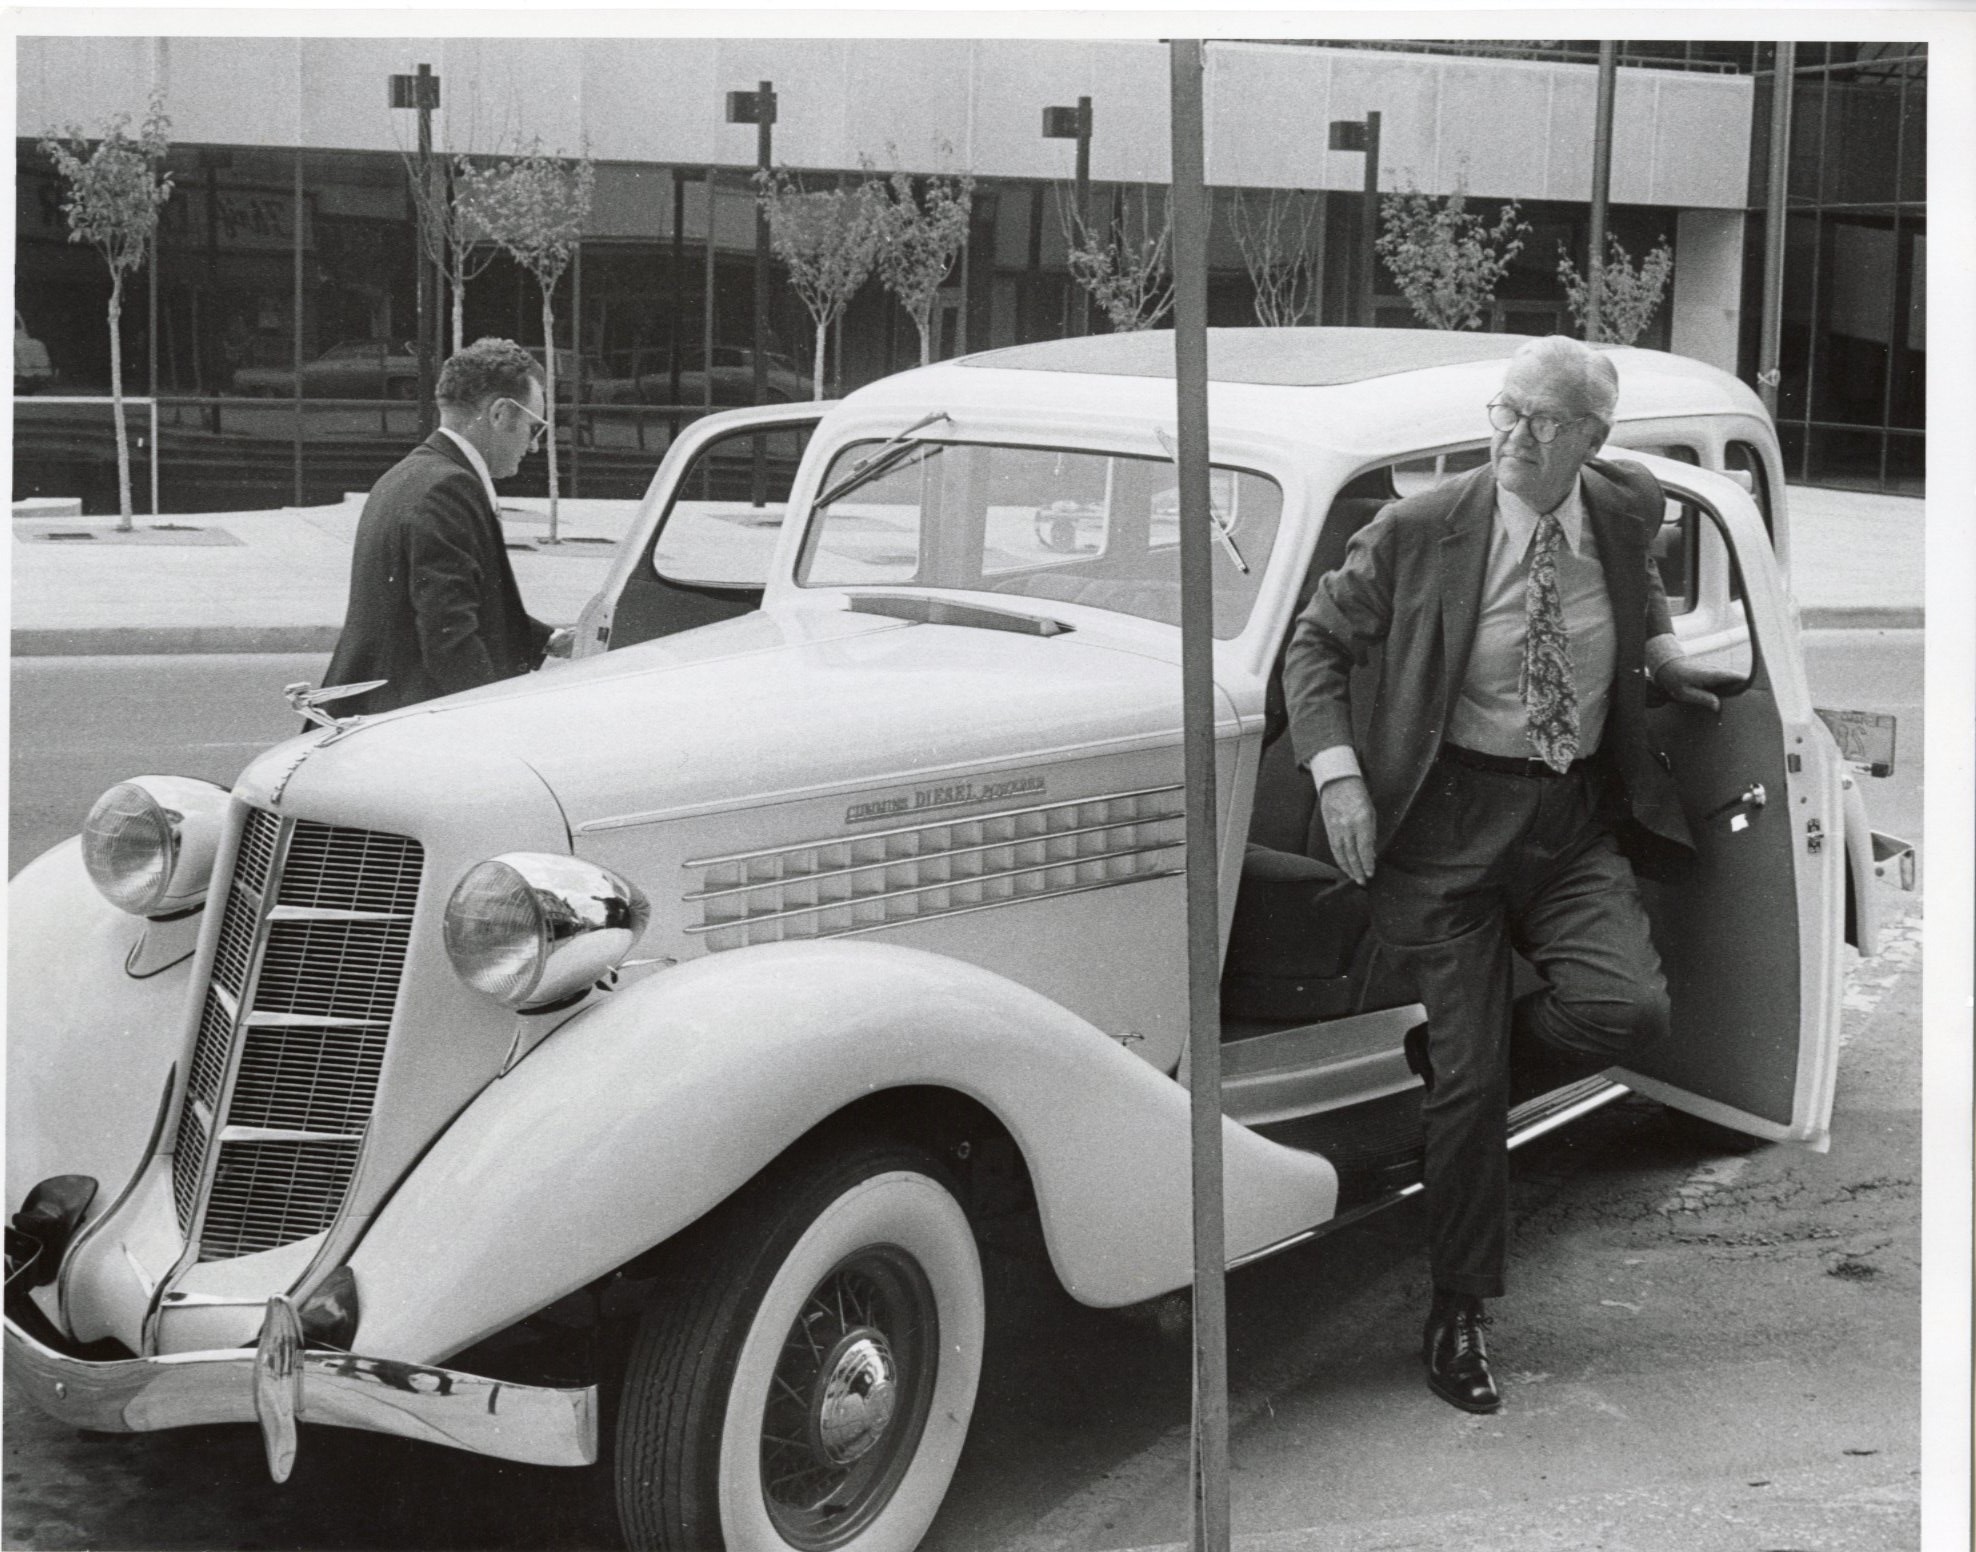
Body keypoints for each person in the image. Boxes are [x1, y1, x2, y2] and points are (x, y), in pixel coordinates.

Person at [1282, 335, 1733, 1415]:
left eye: (1541, 421)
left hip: (1567, 818)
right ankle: (1457, 1307)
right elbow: (1312, 647)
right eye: (1504, 412)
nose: (1514, 436)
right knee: (1476, 1089)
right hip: (1442, 826)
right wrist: (1339, 779)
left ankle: (1458, 1064)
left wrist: (1663, 656)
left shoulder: (1622, 507)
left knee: (1628, 1010)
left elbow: (1642, 592)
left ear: (1591, 437)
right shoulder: (1417, 528)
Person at [322, 337, 569, 717]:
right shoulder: (448, 490)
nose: (534, 447)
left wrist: (550, 640)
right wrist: (494, 720)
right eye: (535, 429)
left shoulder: (412, 473)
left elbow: (451, 602)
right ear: (502, 414)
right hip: (405, 725)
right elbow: (450, 640)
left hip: (380, 712)